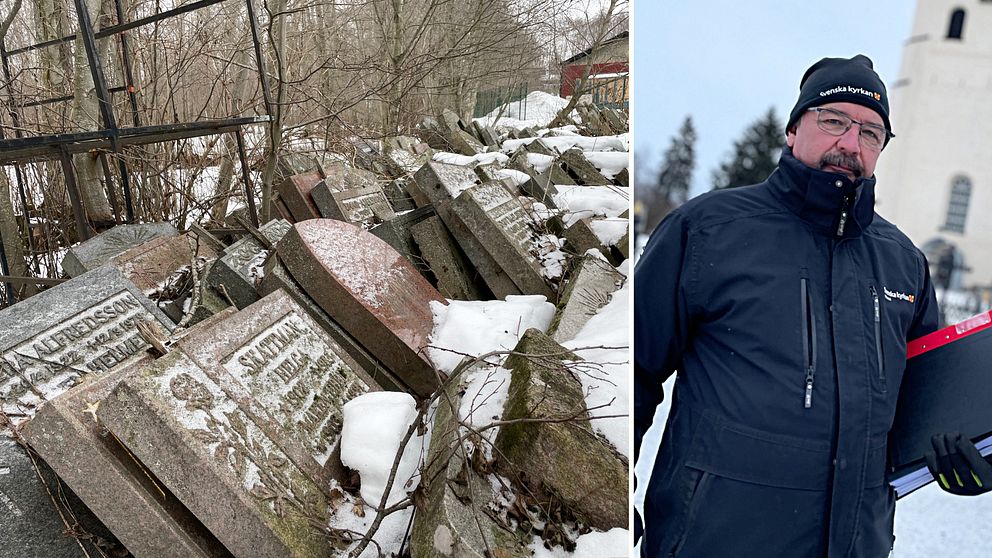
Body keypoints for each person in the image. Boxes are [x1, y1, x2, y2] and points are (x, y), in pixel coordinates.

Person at [634, 54, 992, 558]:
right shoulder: (708, 231)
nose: (851, 143)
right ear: (794, 129)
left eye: (871, 133)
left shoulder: (903, 263)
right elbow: (631, 369)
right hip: (714, 539)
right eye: (834, 121)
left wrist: (971, 451)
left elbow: (926, 402)